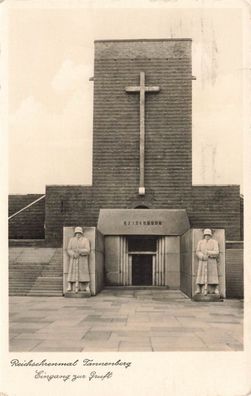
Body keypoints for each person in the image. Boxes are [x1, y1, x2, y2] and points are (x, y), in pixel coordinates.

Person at [195, 228, 220, 295]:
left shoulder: (214, 242)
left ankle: (216, 288)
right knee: (201, 275)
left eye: (208, 235)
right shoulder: (200, 242)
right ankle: (198, 288)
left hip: (211, 261)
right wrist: (202, 256)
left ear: (210, 235)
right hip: (202, 261)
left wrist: (208, 253)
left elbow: (217, 252)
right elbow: (197, 251)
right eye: (205, 235)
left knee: (213, 275)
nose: (207, 236)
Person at [67, 227, 91, 293]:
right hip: (74, 259)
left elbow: (88, 250)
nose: (78, 234)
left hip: (82, 259)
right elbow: (69, 249)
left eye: (79, 233)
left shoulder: (85, 240)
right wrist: (73, 254)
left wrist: (80, 251)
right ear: (75, 233)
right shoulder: (71, 240)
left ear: (81, 233)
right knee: (71, 272)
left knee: (84, 273)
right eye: (76, 233)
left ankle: (87, 286)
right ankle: (69, 285)